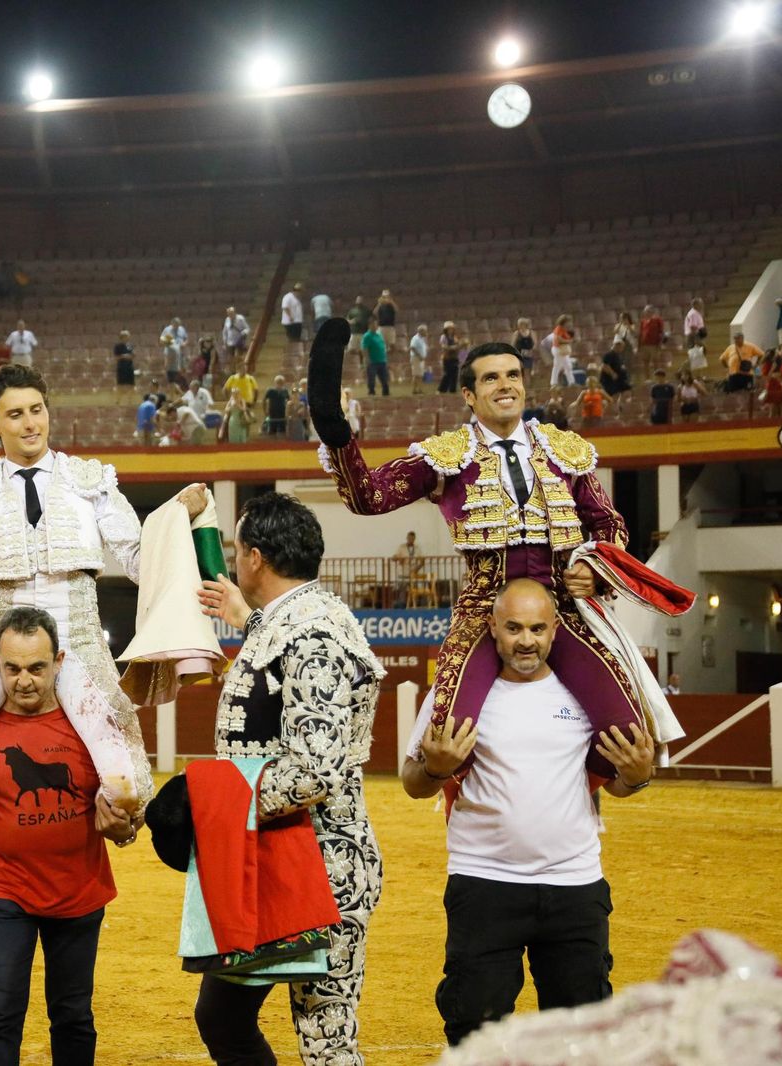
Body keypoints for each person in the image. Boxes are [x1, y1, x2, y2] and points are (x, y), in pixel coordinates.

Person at [309, 325, 647, 786]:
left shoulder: (565, 452)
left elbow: (609, 523)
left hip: (563, 608)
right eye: (491, 378)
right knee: (448, 734)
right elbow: (369, 496)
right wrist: (332, 424)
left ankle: (564, 789)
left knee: (627, 735)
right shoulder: (447, 455)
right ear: (468, 394)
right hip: (483, 609)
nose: (505, 385)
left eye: (512, 375)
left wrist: (595, 567)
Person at [0, 364, 198, 814]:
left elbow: (142, 562)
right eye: (16, 414)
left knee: (129, 789)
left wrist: (175, 519)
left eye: (37, 410)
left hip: (79, 642)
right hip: (3, 647)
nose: (30, 424)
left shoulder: (90, 482)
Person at [401, 578, 655, 1047]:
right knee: (474, 1031)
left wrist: (636, 777)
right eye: (514, 627)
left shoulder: (585, 695)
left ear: (556, 629)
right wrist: (437, 770)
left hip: (575, 886)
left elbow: (617, 786)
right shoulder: (460, 693)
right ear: (492, 628)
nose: (526, 640)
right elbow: (413, 782)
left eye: (537, 628)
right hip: (484, 885)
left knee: (582, 1037)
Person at [192, 492, 385, 1066]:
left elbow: (313, 771)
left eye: (236, 550)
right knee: (224, 1014)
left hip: (322, 870)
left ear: (253, 558)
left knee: (325, 1040)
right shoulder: (303, 618)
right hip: (283, 860)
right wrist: (244, 617)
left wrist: (218, 804)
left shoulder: (310, 633)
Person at [0, 607, 136, 1066]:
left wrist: (124, 830)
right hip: (2, 892)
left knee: (72, 1016)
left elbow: (127, 816)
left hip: (79, 893)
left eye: (37, 668)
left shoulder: (90, 726)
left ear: (58, 662)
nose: (24, 680)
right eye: (13, 668)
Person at [362, 317, 389, 396]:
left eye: (376, 324)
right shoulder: (367, 336)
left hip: (382, 360)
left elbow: (382, 346)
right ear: (369, 325)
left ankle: (386, 392)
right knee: (372, 379)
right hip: (372, 361)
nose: (375, 326)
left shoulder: (379, 334)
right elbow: (365, 349)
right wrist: (367, 359)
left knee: (384, 379)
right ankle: (371, 392)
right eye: (373, 324)